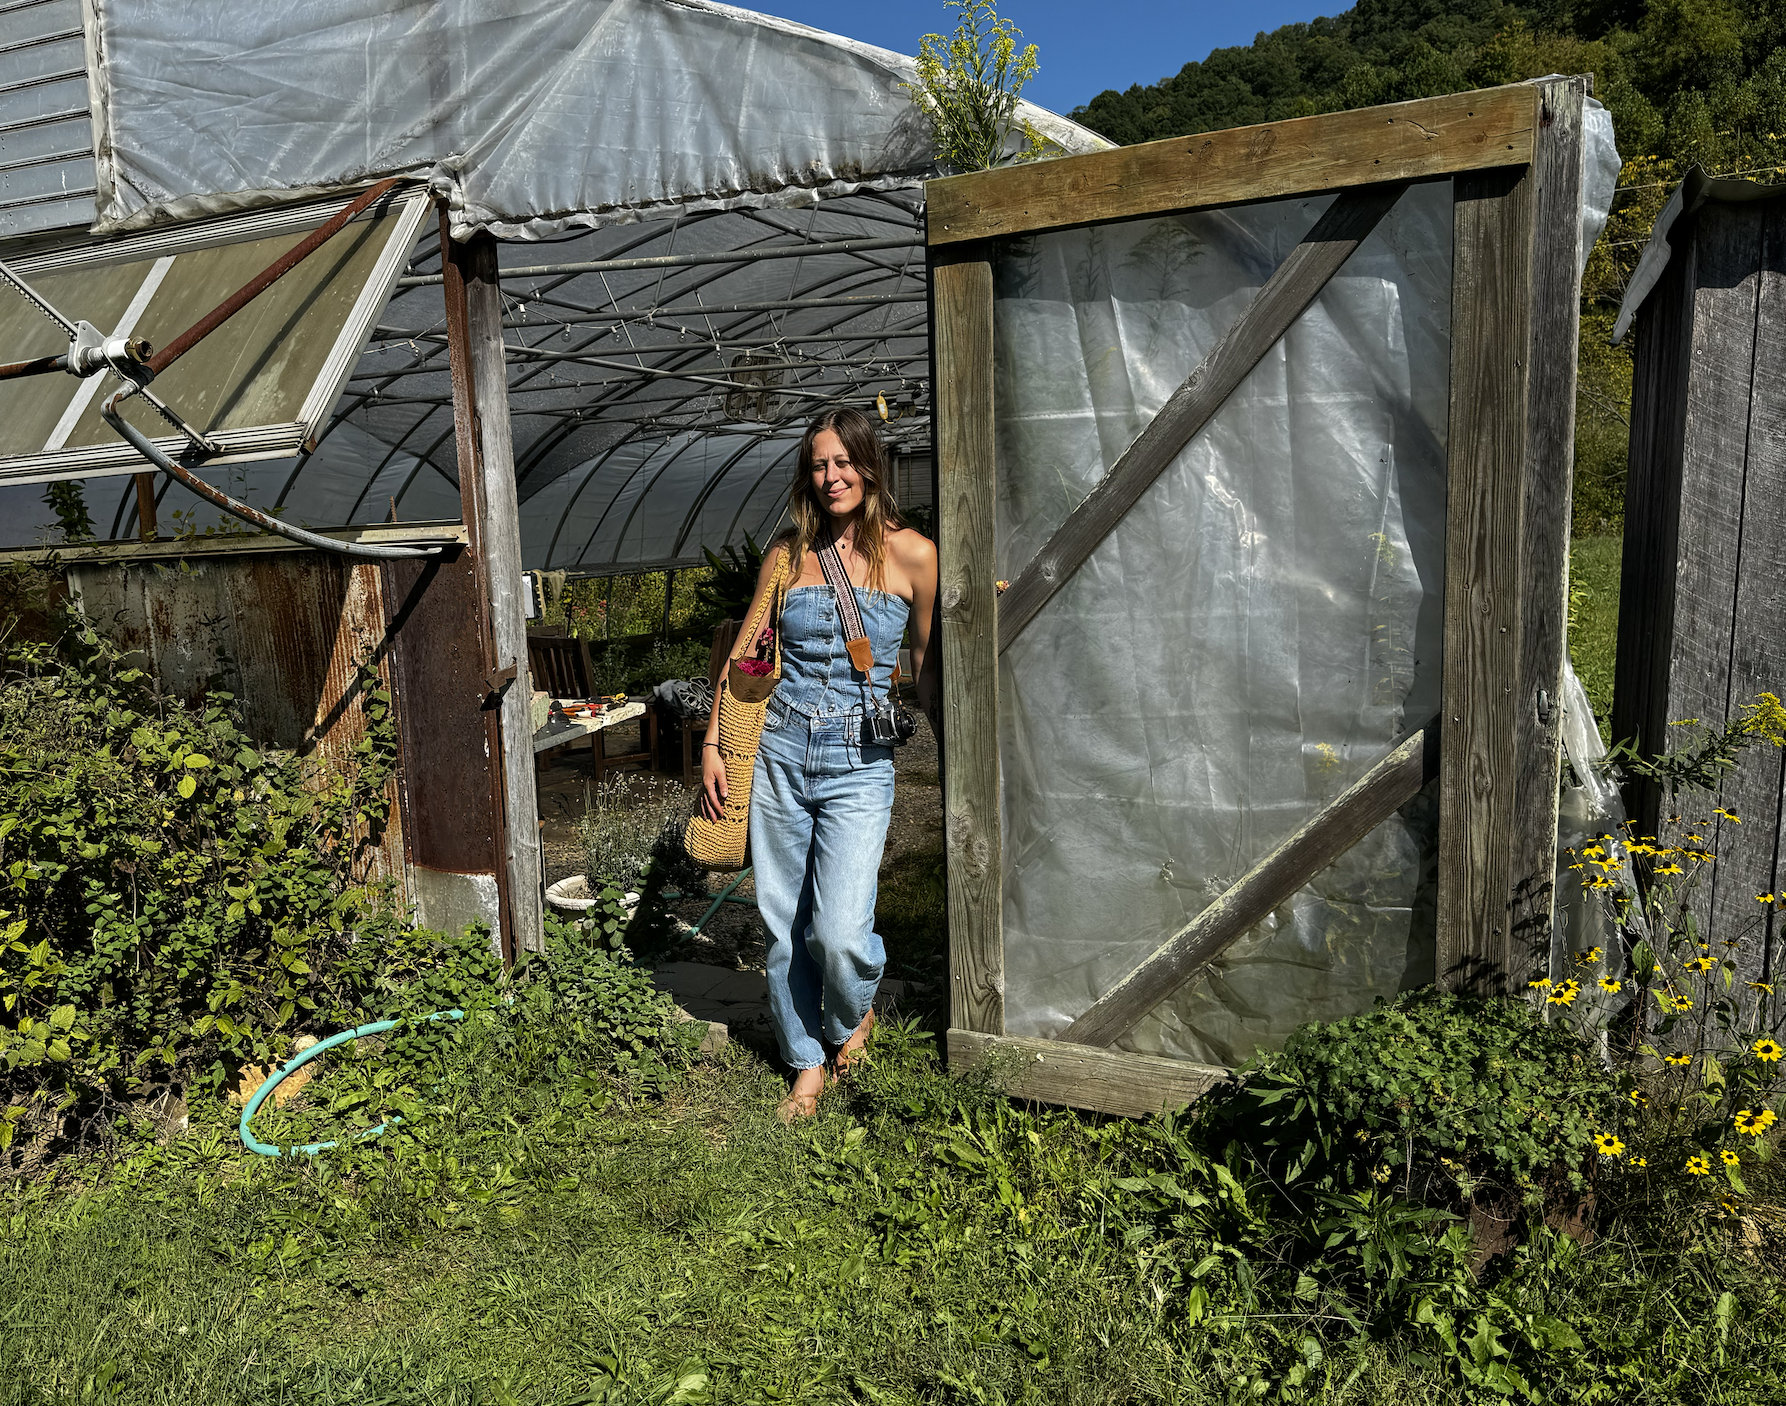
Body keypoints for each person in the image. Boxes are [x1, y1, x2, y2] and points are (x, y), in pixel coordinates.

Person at [698, 408, 939, 1122]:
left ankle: (852, 1013)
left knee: (838, 930)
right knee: (782, 922)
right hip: (780, 750)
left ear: (870, 465)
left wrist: (950, 733)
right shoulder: (787, 555)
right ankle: (806, 1062)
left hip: (860, 760)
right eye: (819, 465)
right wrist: (714, 743)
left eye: (844, 462)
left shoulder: (915, 556)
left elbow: (924, 667)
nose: (832, 477)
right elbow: (746, 658)